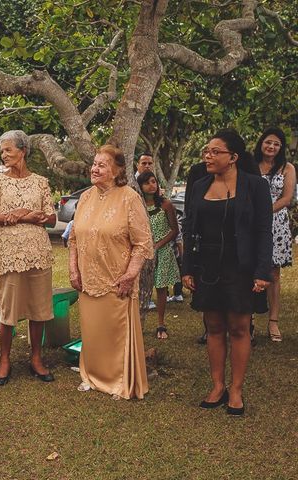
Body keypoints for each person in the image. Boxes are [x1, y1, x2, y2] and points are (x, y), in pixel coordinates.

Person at [182, 128, 272, 416]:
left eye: (214, 151)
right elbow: (189, 227)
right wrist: (188, 268)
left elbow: (263, 231)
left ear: (233, 157)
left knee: (239, 328)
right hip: (207, 266)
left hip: (241, 267)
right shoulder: (199, 185)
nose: (207, 156)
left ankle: (236, 389)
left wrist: (262, 272)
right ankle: (217, 385)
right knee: (214, 327)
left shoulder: (254, 186)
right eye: (206, 151)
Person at [68, 145, 153, 400]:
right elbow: (73, 238)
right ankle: (92, 375)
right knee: (93, 332)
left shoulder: (129, 197)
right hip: (87, 280)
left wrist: (130, 275)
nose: (94, 168)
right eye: (94, 164)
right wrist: (73, 269)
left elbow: (143, 243)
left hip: (117, 281)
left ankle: (118, 381)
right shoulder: (85, 197)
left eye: (101, 165)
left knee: (116, 333)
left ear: (117, 171)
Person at [0, 130, 56, 386]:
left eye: (8, 150)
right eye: (1, 151)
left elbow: (52, 218)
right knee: (8, 310)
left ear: (22, 151)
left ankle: (36, 358)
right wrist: (18, 215)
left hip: (38, 255)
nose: (3, 155)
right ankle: (5, 360)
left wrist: (26, 215)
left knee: (38, 308)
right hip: (9, 256)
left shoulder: (41, 182)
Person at [254, 127, 296, 342]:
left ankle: (273, 321)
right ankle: (247, 319)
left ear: (280, 148)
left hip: (276, 223)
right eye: (268, 142)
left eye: (276, 144)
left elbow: (287, 197)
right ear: (261, 143)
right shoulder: (250, 166)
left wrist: (264, 212)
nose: (271, 146)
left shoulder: (287, 167)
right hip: (250, 223)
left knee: (273, 273)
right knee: (248, 269)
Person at [137, 171, 180, 339]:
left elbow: (174, 230)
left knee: (161, 288)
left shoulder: (166, 205)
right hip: (142, 253)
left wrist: (158, 245)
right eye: (147, 183)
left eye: (154, 182)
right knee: (140, 289)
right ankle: (138, 323)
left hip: (162, 251)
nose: (151, 185)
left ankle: (161, 324)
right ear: (140, 186)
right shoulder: (137, 205)